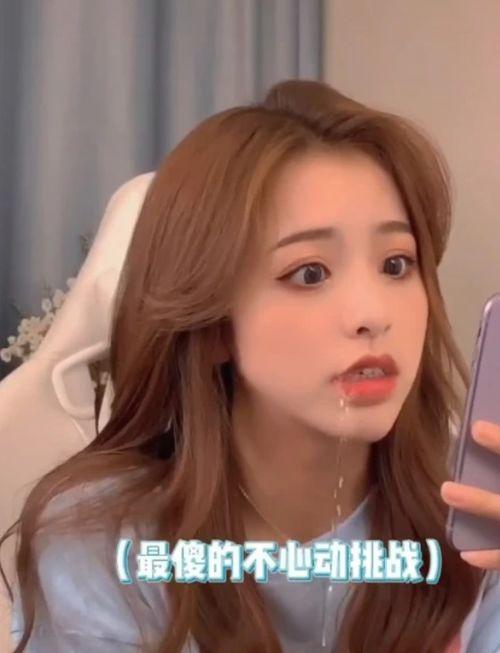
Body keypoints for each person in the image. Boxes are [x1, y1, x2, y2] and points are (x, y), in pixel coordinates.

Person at [2, 78, 500, 653]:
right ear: (214, 324)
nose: (373, 315)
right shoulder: (105, 544)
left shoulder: (469, 512)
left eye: (396, 264)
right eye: (309, 273)